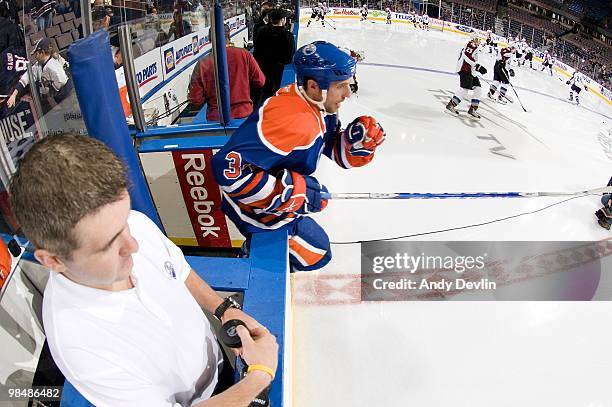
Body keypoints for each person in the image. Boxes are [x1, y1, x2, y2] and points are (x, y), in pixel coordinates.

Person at [9, 134, 279, 406]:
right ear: (53, 260)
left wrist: (222, 309)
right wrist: (259, 377)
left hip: (223, 365)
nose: (134, 244)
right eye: (107, 245)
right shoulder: (81, 344)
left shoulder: (135, 224)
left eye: (124, 221)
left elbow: (179, 269)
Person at [211, 41, 386, 271]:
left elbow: (325, 145)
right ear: (314, 86)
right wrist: (290, 192)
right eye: (341, 86)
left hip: (272, 202)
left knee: (316, 249)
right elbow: (226, 169)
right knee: (317, 253)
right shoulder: (292, 120)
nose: (347, 94)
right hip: (253, 209)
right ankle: (250, 263)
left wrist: (354, 146)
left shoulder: (317, 105)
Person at [188, 24, 265, 122]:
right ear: (228, 35)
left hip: (216, 118)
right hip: (243, 114)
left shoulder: (203, 64)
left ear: (210, 39)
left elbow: (195, 99)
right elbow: (260, 81)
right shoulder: (244, 54)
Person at [7, 38, 72, 110]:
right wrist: (14, 95)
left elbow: (62, 80)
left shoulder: (52, 63)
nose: (35, 56)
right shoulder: (39, 65)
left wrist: (51, 89)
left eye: (37, 54)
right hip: (63, 98)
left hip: (69, 95)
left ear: (42, 52)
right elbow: (25, 78)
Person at [253, 8, 295, 105]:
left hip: (261, 67)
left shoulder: (261, 31)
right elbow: (289, 57)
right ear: (283, 19)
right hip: (277, 69)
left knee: (261, 92)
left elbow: (256, 51)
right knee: (272, 92)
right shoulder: (288, 35)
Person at [445, 36, 487, 119]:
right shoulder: (471, 45)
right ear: (473, 39)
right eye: (477, 39)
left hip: (471, 71)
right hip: (465, 70)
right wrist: (476, 66)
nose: (479, 41)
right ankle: (451, 105)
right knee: (464, 90)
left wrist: (475, 68)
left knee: (478, 89)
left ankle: (472, 109)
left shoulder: (472, 46)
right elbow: (466, 56)